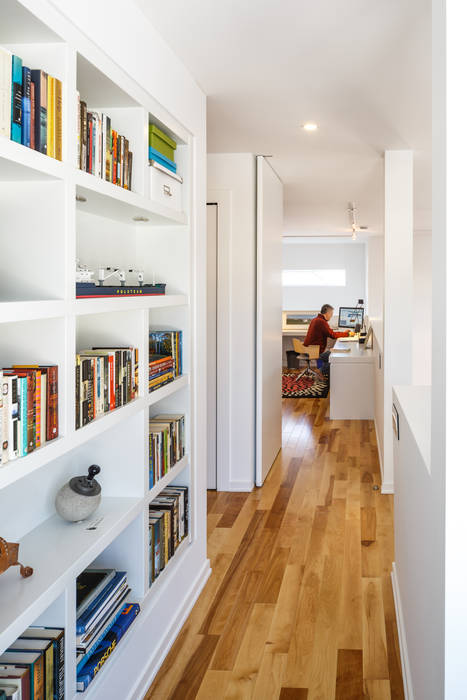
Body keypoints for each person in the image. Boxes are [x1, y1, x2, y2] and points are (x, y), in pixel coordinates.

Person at [303, 304, 353, 377]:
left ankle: (324, 372)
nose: (331, 316)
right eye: (331, 314)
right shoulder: (321, 322)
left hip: (308, 349)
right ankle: (320, 371)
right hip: (313, 350)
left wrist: (344, 333)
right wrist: (347, 334)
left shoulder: (315, 319)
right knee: (335, 357)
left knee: (331, 353)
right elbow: (332, 335)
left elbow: (330, 332)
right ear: (327, 313)